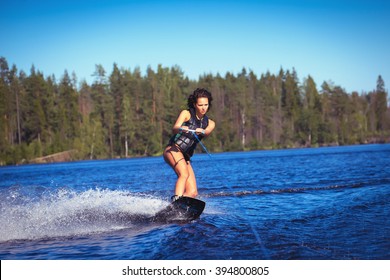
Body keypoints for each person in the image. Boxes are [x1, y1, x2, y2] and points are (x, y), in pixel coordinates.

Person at [163, 88, 216, 202]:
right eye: (200, 104)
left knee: (192, 192)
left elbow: (207, 132)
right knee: (184, 174)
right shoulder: (186, 113)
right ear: (194, 104)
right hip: (173, 149)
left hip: (186, 156)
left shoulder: (210, 123)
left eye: (206, 105)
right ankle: (176, 200)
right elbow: (175, 128)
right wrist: (182, 128)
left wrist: (200, 131)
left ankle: (181, 207)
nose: (203, 108)